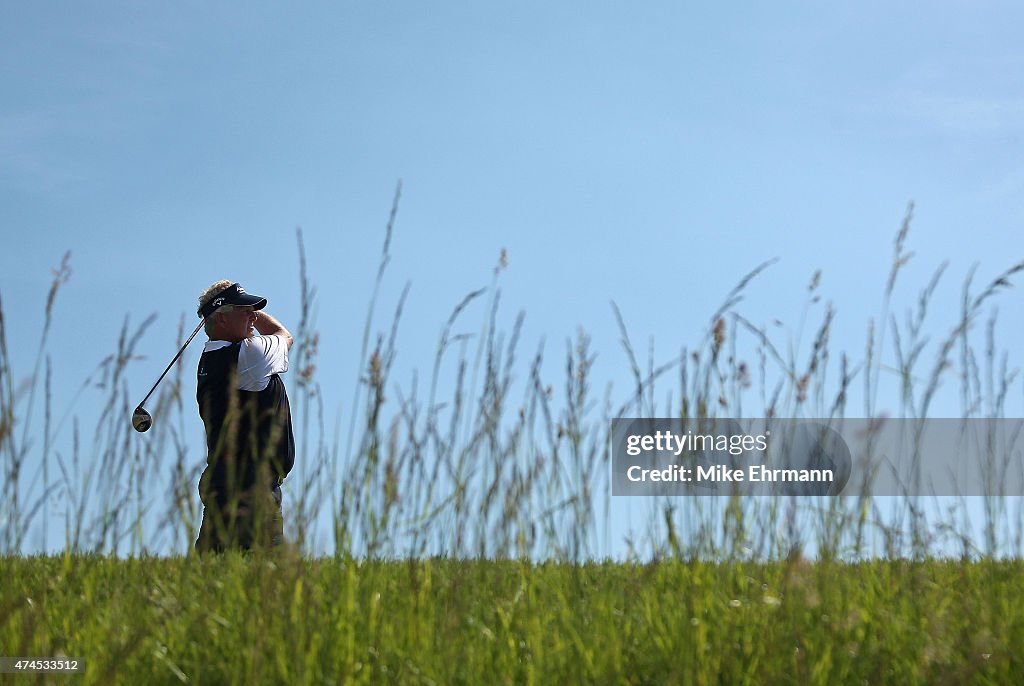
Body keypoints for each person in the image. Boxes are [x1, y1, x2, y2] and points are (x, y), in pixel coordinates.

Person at [193, 280, 295, 553]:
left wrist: (240, 306)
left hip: (220, 482)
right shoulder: (251, 355)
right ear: (222, 318)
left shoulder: (208, 361)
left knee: (212, 576)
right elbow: (284, 335)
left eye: (253, 311)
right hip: (252, 487)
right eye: (244, 310)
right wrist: (255, 313)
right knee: (261, 581)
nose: (252, 316)